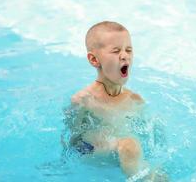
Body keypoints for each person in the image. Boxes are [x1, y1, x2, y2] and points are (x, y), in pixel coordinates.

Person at [67, 21, 167, 181]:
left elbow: (154, 138)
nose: (124, 55)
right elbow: (71, 142)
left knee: (158, 171)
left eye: (129, 50)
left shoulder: (135, 99)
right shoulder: (83, 101)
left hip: (127, 159)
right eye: (116, 51)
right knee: (129, 146)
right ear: (94, 60)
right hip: (94, 154)